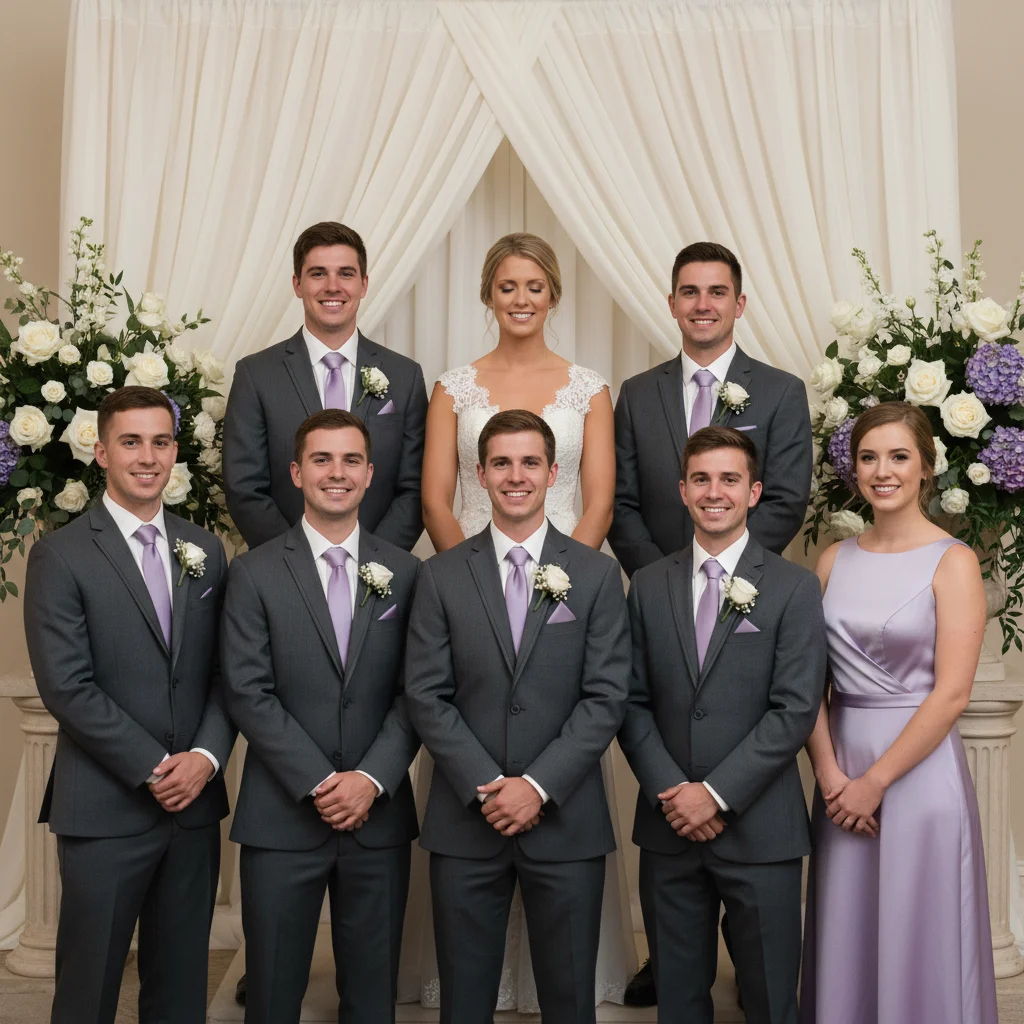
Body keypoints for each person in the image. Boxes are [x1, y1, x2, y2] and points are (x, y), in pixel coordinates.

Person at [413, 233, 634, 1010]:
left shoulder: (587, 387)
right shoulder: (452, 387)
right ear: (487, 292)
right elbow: (438, 498)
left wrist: (552, 589)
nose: (520, 298)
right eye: (506, 285)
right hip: (471, 581)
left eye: (534, 285)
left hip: (566, 587)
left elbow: (598, 498)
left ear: (553, 294)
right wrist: (471, 583)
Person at [23, 386, 234, 1024]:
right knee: (88, 992)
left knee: (179, 993)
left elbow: (232, 674)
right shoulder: (60, 555)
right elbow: (67, 685)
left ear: (176, 451)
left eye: (161, 442)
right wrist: (153, 766)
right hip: (104, 806)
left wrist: (203, 757)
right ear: (101, 452)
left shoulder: (208, 550)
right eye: (131, 442)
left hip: (193, 808)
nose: (148, 457)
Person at [618, 425, 826, 1024]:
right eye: (702, 479)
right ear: (682, 491)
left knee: (769, 1000)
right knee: (678, 1000)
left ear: (754, 491)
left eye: (730, 479)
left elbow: (794, 709)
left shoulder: (793, 587)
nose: (716, 492)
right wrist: (674, 795)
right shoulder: (649, 585)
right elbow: (629, 702)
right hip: (668, 827)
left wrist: (714, 795)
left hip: (762, 829)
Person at [221, 410, 421, 1024]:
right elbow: (247, 689)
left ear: (369, 473)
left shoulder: (410, 573)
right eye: (322, 460)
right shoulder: (253, 571)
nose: (337, 473)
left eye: (351, 460)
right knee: (274, 994)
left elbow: (420, 690)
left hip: (378, 814)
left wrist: (370, 778)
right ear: (296, 472)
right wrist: (319, 781)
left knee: (371, 997)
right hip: (280, 814)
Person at [800, 401, 997, 1024]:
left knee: (921, 930)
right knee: (847, 927)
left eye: (898, 457)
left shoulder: (954, 561)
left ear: (926, 469)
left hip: (917, 777)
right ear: (853, 468)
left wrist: (874, 783)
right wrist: (832, 778)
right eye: (868, 457)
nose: (882, 471)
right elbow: (808, 684)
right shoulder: (832, 559)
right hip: (840, 772)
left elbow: (952, 695)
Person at [609, 241, 812, 579]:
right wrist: (660, 578)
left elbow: (786, 501)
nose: (703, 305)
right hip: (655, 587)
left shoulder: (781, 391)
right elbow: (620, 502)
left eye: (717, 292)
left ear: (739, 304)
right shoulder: (636, 394)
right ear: (673, 305)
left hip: (746, 586)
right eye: (690, 293)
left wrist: (725, 568)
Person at [223, 220, 428, 552]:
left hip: (378, 574)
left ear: (363, 284)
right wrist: (298, 562)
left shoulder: (405, 376)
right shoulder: (256, 374)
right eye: (318, 274)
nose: (333, 286)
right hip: (283, 572)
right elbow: (244, 487)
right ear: (297, 284)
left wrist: (374, 560)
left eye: (345, 274)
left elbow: (415, 487)